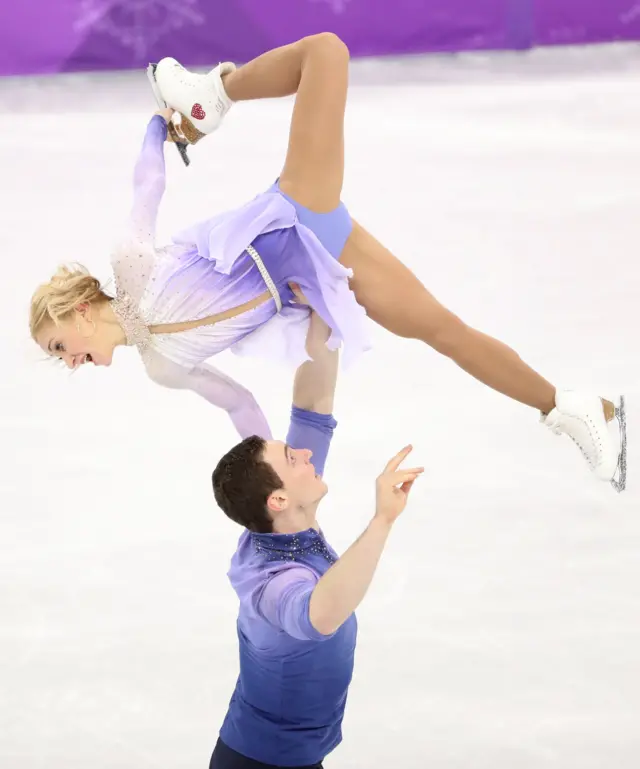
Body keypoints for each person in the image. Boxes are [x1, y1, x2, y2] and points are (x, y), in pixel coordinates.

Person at [29, 33, 625, 490]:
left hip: (294, 215)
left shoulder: (130, 266)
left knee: (327, 53)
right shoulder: (161, 368)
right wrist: (270, 469)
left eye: (59, 346)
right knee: (443, 330)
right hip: (316, 273)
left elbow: (146, 188)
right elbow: (239, 403)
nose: (71, 362)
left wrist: (159, 127)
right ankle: (573, 409)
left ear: (78, 310)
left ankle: (211, 95)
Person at [209, 307, 423, 769]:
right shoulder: (273, 584)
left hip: (292, 757)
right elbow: (320, 615)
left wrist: (321, 310)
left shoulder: (282, 514)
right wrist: (382, 519)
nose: (306, 453)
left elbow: (312, 402)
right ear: (279, 499)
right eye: (293, 457)